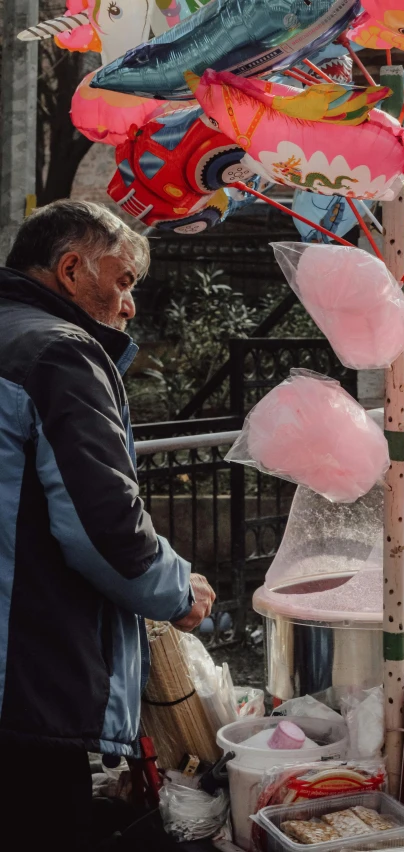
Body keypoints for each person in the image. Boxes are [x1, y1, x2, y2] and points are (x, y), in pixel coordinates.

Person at [0, 200, 216, 849]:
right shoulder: (59, 354)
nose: (128, 307)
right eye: (122, 282)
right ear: (70, 269)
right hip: (25, 686)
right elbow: (104, 529)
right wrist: (180, 590)